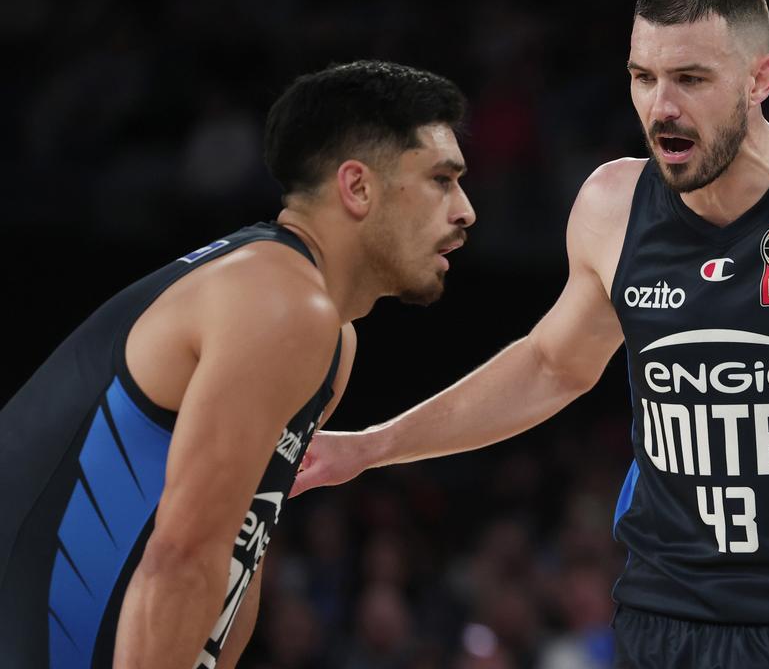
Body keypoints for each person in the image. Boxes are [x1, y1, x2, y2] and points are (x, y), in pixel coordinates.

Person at [292, 0, 769, 668]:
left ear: (759, 80)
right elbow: (551, 365)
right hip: (667, 623)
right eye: (644, 77)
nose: (660, 106)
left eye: (691, 80)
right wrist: (371, 447)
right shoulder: (614, 205)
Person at [0, 60, 476, 669]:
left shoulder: (323, 331)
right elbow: (181, 559)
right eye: (442, 179)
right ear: (357, 187)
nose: (465, 211)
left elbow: (233, 565)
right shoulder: (278, 302)